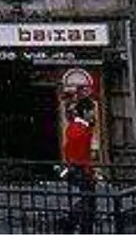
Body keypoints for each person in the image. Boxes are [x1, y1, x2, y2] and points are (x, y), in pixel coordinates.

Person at [61, 96, 97, 234]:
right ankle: (74, 223)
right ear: (86, 112)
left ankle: (75, 224)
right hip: (81, 169)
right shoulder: (80, 129)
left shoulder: (75, 127)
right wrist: (90, 171)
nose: (93, 114)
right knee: (88, 201)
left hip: (78, 168)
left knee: (88, 200)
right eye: (91, 111)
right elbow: (81, 155)